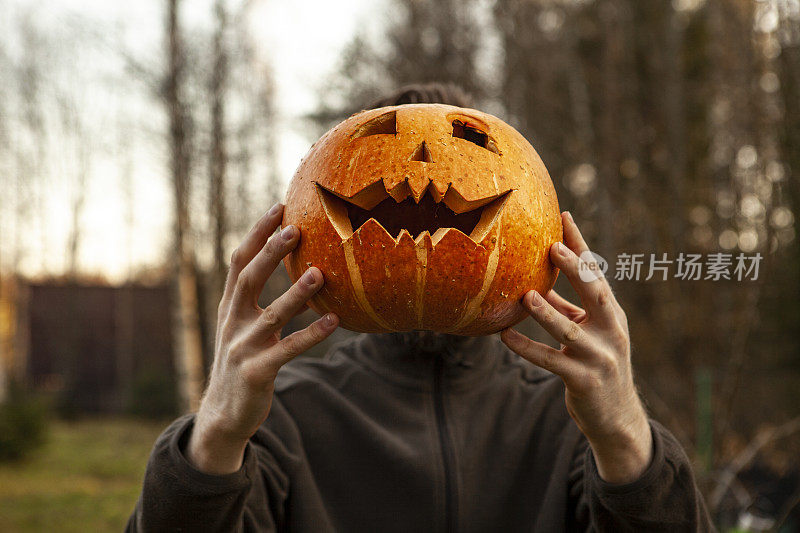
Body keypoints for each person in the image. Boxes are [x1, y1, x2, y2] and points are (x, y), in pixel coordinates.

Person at [127, 83, 714, 532]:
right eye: (377, 137)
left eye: (471, 140)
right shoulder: (276, 416)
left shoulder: (574, 419)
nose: (427, 161)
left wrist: (627, 441)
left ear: (541, 235)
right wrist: (214, 439)